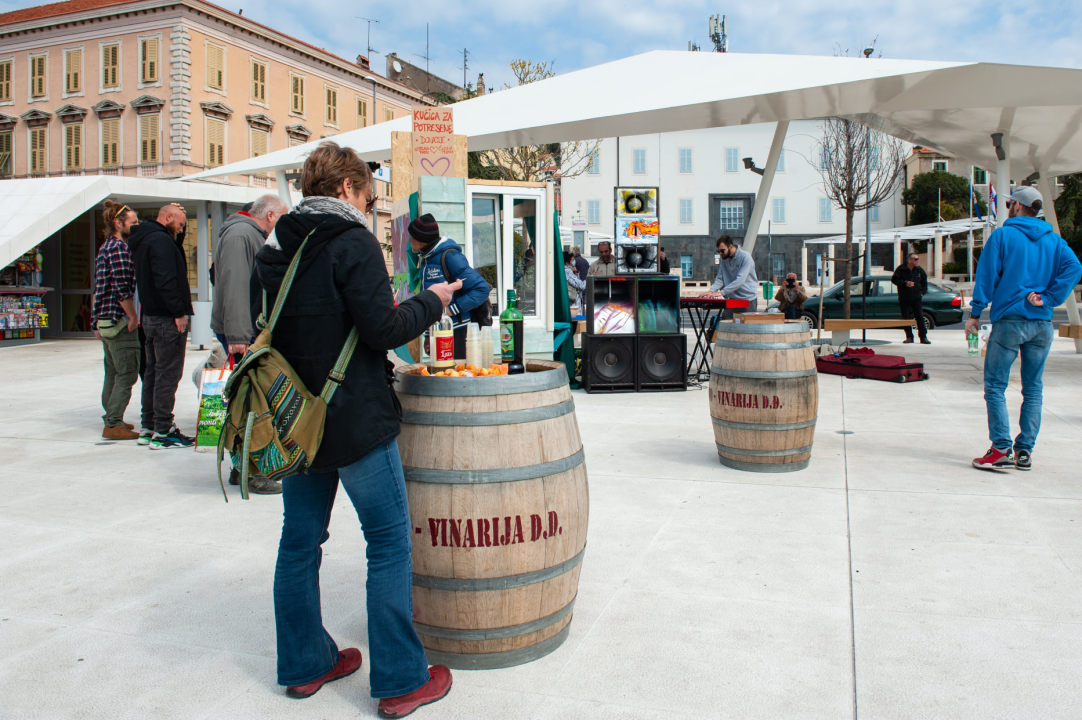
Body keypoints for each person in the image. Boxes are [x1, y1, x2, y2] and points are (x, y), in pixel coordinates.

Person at [253, 141, 457, 716]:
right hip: (356, 419)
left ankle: (303, 665)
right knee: (389, 542)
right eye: (368, 194)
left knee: (299, 544)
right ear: (346, 188)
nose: (369, 206)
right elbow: (383, 328)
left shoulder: (277, 246)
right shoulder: (351, 243)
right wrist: (432, 300)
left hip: (297, 420)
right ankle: (399, 680)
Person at [968, 186, 1081, 471]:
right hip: (1041, 324)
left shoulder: (1003, 236)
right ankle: (1024, 452)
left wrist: (975, 312)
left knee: (995, 386)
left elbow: (986, 275)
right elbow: (1075, 268)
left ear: (1016, 206)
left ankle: (1001, 448)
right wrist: (1049, 297)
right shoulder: (1055, 241)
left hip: (1009, 321)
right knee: (1033, 390)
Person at [128, 203, 194, 450]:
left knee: (153, 373)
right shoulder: (162, 242)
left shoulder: (145, 238)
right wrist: (178, 312)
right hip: (167, 318)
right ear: (167, 217)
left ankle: (149, 426)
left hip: (150, 316)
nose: (182, 226)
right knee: (168, 374)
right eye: (180, 222)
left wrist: (177, 232)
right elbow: (166, 278)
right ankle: (164, 431)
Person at [212, 194, 287, 361]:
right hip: (243, 334)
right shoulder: (241, 234)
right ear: (270, 215)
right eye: (282, 218)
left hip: (247, 329)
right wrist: (238, 336)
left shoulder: (250, 233)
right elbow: (235, 284)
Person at [91, 200, 141, 441]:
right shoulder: (120, 249)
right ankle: (113, 423)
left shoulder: (104, 247)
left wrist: (94, 322)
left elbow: (98, 289)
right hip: (119, 321)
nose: (137, 226)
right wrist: (132, 315)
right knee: (127, 372)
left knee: (111, 372)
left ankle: (112, 417)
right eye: (133, 223)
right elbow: (122, 289)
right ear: (118, 223)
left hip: (105, 320)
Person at [410, 213, 489, 359]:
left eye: (412, 236)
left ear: (422, 239)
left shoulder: (450, 257)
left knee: (457, 378)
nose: (409, 240)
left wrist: (451, 310)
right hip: (439, 331)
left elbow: (481, 289)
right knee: (441, 376)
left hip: (458, 331)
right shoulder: (426, 258)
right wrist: (428, 334)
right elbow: (429, 298)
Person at [704, 235, 759, 318]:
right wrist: (711, 291)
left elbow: (740, 280)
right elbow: (720, 278)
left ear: (730, 246)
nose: (721, 254)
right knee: (725, 325)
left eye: (722, 250)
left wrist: (722, 292)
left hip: (748, 299)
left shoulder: (745, 257)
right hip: (733, 299)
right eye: (719, 251)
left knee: (747, 328)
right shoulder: (724, 259)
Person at [891, 253, 930, 344]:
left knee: (919, 317)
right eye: (916, 259)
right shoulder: (901, 269)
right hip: (904, 297)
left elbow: (924, 281)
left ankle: (923, 337)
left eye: (918, 259)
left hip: (916, 298)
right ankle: (909, 337)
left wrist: (922, 292)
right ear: (910, 260)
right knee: (906, 318)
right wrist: (905, 283)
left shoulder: (919, 270)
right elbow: (894, 280)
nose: (918, 261)